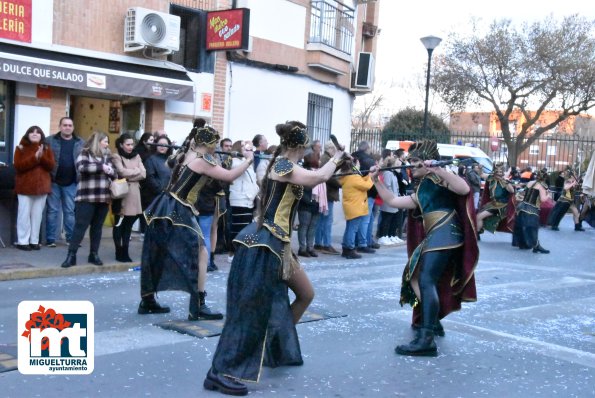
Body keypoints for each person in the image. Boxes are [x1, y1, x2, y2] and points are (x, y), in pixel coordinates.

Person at [203, 121, 346, 396]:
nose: (307, 152)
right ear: (299, 146)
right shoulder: (282, 165)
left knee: (306, 294)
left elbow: (316, 176)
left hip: (279, 245)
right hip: (263, 244)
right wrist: (337, 157)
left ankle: (272, 343)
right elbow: (317, 178)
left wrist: (339, 165)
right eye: (305, 147)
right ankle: (220, 371)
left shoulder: (287, 166)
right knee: (250, 311)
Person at [369, 140, 478, 357]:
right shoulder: (422, 188)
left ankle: (427, 338)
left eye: (416, 161)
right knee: (415, 277)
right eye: (410, 161)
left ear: (428, 162)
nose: (410, 165)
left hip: (446, 233)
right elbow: (392, 200)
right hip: (436, 236)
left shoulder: (437, 179)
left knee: (426, 280)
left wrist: (438, 168)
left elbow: (464, 188)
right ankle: (432, 322)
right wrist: (375, 180)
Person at [138, 124, 254, 320]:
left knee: (156, 252)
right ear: (209, 144)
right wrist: (249, 160)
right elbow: (229, 175)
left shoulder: (186, 154)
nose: (215, 147)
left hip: (165, 204)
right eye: (215, 144)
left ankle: (148, 300)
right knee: (201, 251)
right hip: (178, 207)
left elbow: (169, 165)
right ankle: (198, 304)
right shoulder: (203, 160)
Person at [60, 132, 117, 268]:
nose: (107, 144)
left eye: (107, 142)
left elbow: (115, 174)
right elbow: (81, 167)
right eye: (104, 141)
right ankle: (71, 255)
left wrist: (111, 171)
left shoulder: (108, 156)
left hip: (103, 197)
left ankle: (94, 254)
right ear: (97, 141)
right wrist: (101, 167)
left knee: (97, 228)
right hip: (86, 196)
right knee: (80, 226)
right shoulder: (85, 153)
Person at [13, 126, 55, 251]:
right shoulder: (20, 148)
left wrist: (41, 156)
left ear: (42, 135)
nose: (35, 134)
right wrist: (35, 157)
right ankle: (22, 241)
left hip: (42, 188)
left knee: (37, 217)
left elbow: (51, 166)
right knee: (23, 216)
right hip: (25, 188)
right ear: (27, 135)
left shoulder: (46, 148)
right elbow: (19, 166)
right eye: (32, 132)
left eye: (38, 132)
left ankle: (34, 241)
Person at [45, 117, 84, 247]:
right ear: (60, 126)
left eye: (70, 125)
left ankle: (71, 239)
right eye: (65, 125)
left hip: (72, 182)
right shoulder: (50, 140)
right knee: (52, 211)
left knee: (70, 212)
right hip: (54, 181)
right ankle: (50, 239)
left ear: (73, 127)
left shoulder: (80, 142)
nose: (67, 127)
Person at [111, 133, 146, 262]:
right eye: (128, 144)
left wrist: (132, 173)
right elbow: (121, 172)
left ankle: (125, 251)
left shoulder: (137, 155)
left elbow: (144, 173)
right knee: (119, 224)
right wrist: (136, 171)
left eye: (132, 144)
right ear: (121, 145)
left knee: (129, 225)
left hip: (135, 193)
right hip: (122, 193)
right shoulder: (116, 156)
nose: (131, 147)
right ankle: (118, 251)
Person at [227, 140, 260, 263]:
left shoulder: (247, 163)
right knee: (237, 228)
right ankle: (232, 252)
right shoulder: (235, 161)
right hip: (238, 199)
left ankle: (242, 252)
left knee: (246, 227)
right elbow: (236, 170)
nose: (247, 150)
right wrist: (248, 159)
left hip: (248, 199)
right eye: (244, 147)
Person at [339, 158, 373, 259]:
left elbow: (362, 180)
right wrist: (371, 176)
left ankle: (346, 248)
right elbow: (366, 185)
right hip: (356, 207)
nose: (359, 166)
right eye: (358, 164)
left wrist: (369, 174)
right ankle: (350, 248)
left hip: (351, 206)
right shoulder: (353, 177)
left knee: (349, 228)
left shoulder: (348, 177)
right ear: (353, 166)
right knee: (352, 229)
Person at [512, 168, 552, 253]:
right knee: (532, 228)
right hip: (532, 209)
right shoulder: (542, 186)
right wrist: (548, 194)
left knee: (521, 226)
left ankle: (522, 244)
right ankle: (536, 245)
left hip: (522, 207)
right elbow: (543, 199)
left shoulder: (530, 183)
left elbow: (524, 192)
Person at [314, 141, 341, 254]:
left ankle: (319, 243)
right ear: (331, 149)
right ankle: (326, 244)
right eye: (334, 150)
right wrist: (340, 184)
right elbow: (328, 176)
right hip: (328, 193)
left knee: (322, 219)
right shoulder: (327, 159)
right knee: (327, 220)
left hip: (326, 193)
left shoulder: (325, 158)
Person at [476, 162, 516, 234]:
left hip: (501, 206)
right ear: (494, 172)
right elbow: (481, 174)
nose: (499, 173)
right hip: (492, 204)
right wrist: (480, 168)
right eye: (497, 171)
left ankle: (477, 234)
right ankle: (478, 232)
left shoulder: (504, 181)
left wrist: (507, 182)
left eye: (500, 172)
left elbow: (512, 190)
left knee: (479, 217)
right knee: (477, 216)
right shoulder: (490, 178)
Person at [297, 150, 322, 257]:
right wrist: (308, 199)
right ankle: (302, 248)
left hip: (316, 202)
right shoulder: (303, 170)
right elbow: (300, 187)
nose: (319, 160)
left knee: (312, 227)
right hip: (306, 203)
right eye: (317, 158)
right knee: (304, 226)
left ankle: (310, 247)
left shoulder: (319, 171)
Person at [376, 153, 402, 246]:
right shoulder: (387, 173)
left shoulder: (392, 173)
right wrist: (393, 196)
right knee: (386, 218)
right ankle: (383, 236)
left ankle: (389, 235)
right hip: (389, 199)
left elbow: (395, 186)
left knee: (392, 219)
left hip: (394, 198)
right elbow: (387, 186)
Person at [142, 135, 173, 209]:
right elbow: (150, 178)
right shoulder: (150, 159)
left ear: (168, 147)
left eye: (165, 145)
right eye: (160, 144)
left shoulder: (171, 160)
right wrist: (161, 191)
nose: (162, 146)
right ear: (156, 145)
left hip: (168, 197)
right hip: (154, 198)